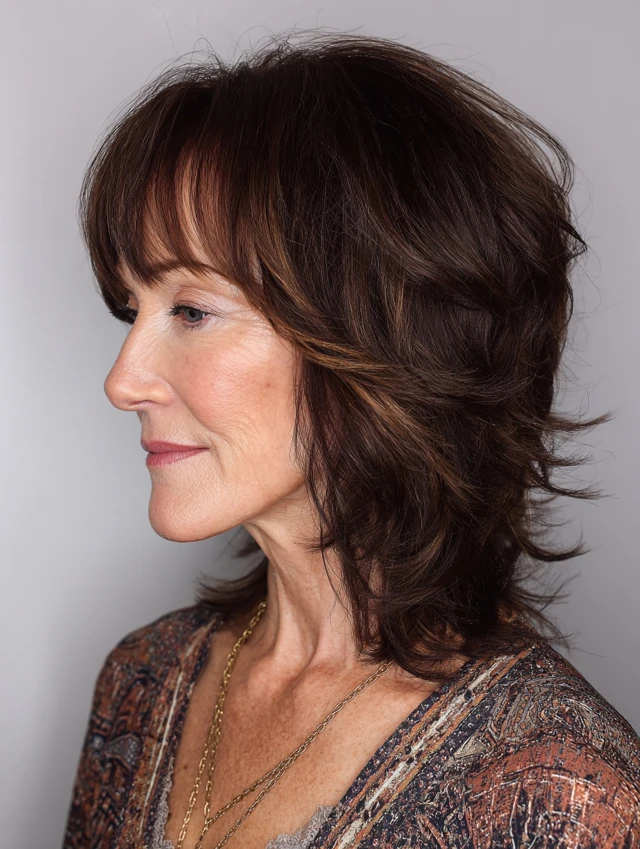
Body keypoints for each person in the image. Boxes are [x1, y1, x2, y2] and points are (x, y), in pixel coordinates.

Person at [62, 30, 640, 849]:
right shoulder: (143, 681)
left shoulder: (556, 796)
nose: (123, 381)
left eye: (191, 310)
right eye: (132, 310)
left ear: (379, 337)